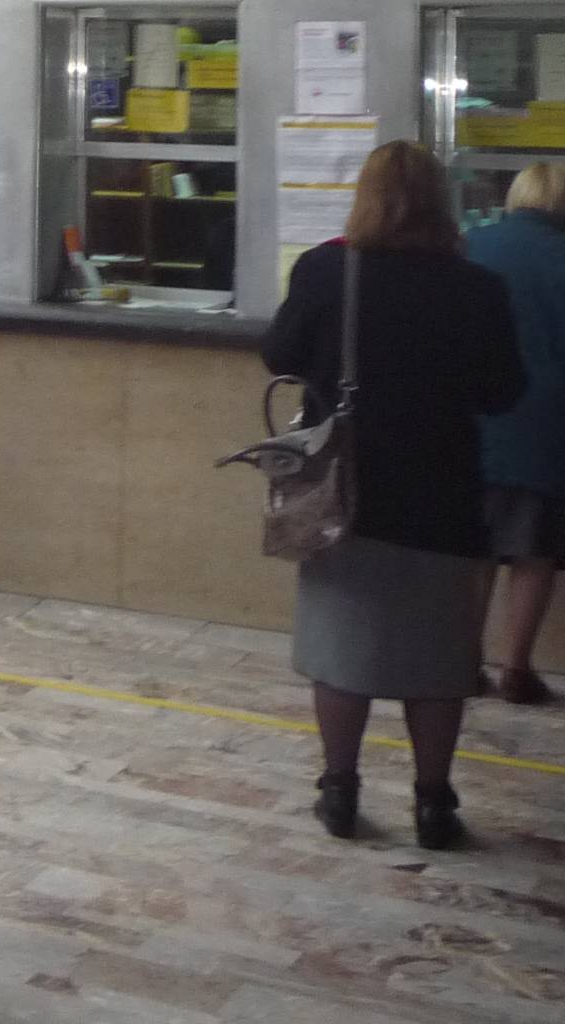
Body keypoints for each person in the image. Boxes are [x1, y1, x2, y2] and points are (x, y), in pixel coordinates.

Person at [261, 141, 526, 848]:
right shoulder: (478, 288)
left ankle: (340, 790)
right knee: (438, 659)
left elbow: (279, 354)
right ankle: (434, 803)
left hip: (343, 495)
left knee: (339, 648)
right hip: (443, 493)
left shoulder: (326, 271)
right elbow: (503, 391)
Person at [470, 162, 565, 704]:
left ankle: (462, 663)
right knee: (534, 553)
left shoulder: (471, 245)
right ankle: (516, 669)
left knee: (475, 549)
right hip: (545, 429)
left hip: (474, 423)